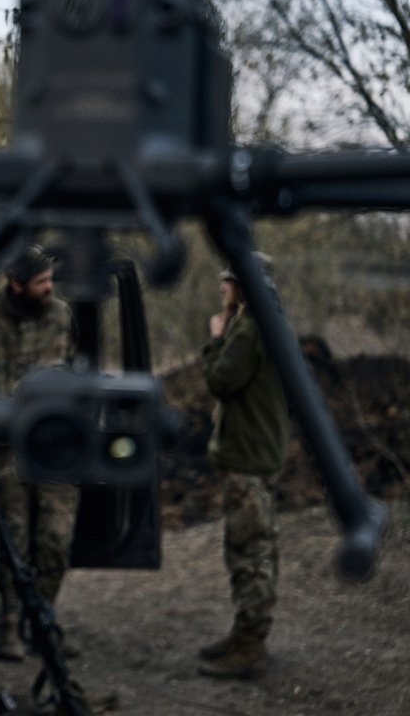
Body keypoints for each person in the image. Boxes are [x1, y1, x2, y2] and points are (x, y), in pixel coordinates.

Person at [0, 245, 78, 662]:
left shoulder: (61, 316)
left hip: (55, 446)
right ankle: (9, 624)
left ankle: (43, 621)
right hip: (6, 449)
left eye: (51, 281)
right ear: (16, 284)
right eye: (41, 282)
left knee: (56, 539)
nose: (49, 289)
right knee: (14, 541)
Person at [198, 255, 289, 679]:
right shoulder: (272, 324)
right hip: (262, 452)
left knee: (249, 550)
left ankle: (251, 645)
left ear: (243, 286)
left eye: (228, 282)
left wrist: (216, 338)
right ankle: (244, 634)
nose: (222, 288)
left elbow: (220, 381)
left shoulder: (250, 330)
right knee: (256, 545)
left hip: (248, 456)